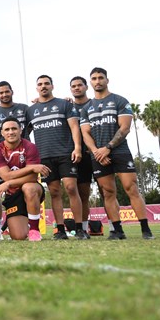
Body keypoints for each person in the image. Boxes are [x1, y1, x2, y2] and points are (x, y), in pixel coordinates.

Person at [80, 67, 154, 240]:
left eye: (100, 78)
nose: (97, 81)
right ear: (90, 82)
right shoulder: (86, 108)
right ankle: (118, 231)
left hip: (119, 151)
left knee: (131, 188)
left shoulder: (120, 101)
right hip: (98, 155)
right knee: (108, 193)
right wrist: (97, 152)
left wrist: (108, 148)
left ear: (107, 80)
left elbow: (125, 128)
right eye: (94, 78)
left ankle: (146, 229)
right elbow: (85, 134)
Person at [25, 75, 87, 240]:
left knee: (71, 188)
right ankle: (60, 229)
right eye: (40, 84)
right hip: (44, 156)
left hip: (66, 153)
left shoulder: (64, 104)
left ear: (52, 86)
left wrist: (78, 148)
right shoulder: (31, 110)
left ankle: (80, 228)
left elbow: (75, 127)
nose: (43, 86)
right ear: (36, 88)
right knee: (54, 192)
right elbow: (24, 134)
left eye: (46, 83)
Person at [0, 81, 29, 237]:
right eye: (1, 92)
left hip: (24, 158)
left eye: (6, 91)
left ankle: (34, 225)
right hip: (2, 161)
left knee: (28, 188)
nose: (4, 95)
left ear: (12, 91)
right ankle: (0, 228)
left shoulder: (24, 108)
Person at [0, 119, 48, 241]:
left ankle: (34, 230)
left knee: (29, 187)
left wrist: (9, 182)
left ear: (20, 130)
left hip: (31, 189)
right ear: (2, 133)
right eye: (7, 129)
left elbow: (33, 177)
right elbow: (6, 176)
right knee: (18, 236)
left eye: (14, 128)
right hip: (12, 194)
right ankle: (25, 223)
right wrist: (31, 167)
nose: (11, 132)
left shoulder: (30, 147)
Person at [69, 75, 94, 235]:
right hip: (75, 155)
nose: (77, 88)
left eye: (80, 85)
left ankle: (115, 227)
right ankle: (83, 229)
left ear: (86, 87)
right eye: (74, 86)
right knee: (80, 193)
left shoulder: (94, 104)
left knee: (107, 191)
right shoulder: (67, 106)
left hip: (96, 153)